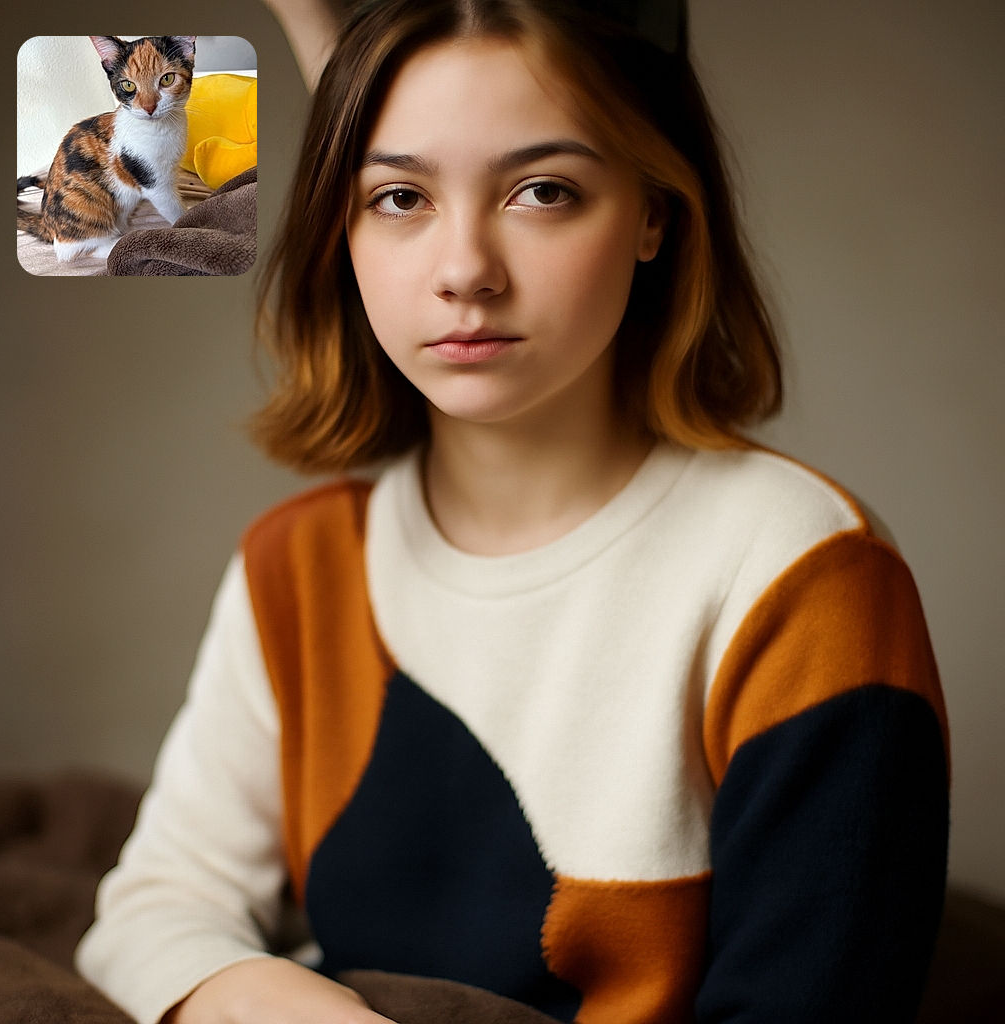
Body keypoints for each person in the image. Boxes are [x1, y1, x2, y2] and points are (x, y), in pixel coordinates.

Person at [75, 2, 950, 1022]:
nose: (463, 272)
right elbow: (151, 911)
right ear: (342, 233)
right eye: (397, 196)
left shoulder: (803, 577)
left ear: (655, 212)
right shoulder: (301, 565)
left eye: (543, 191)